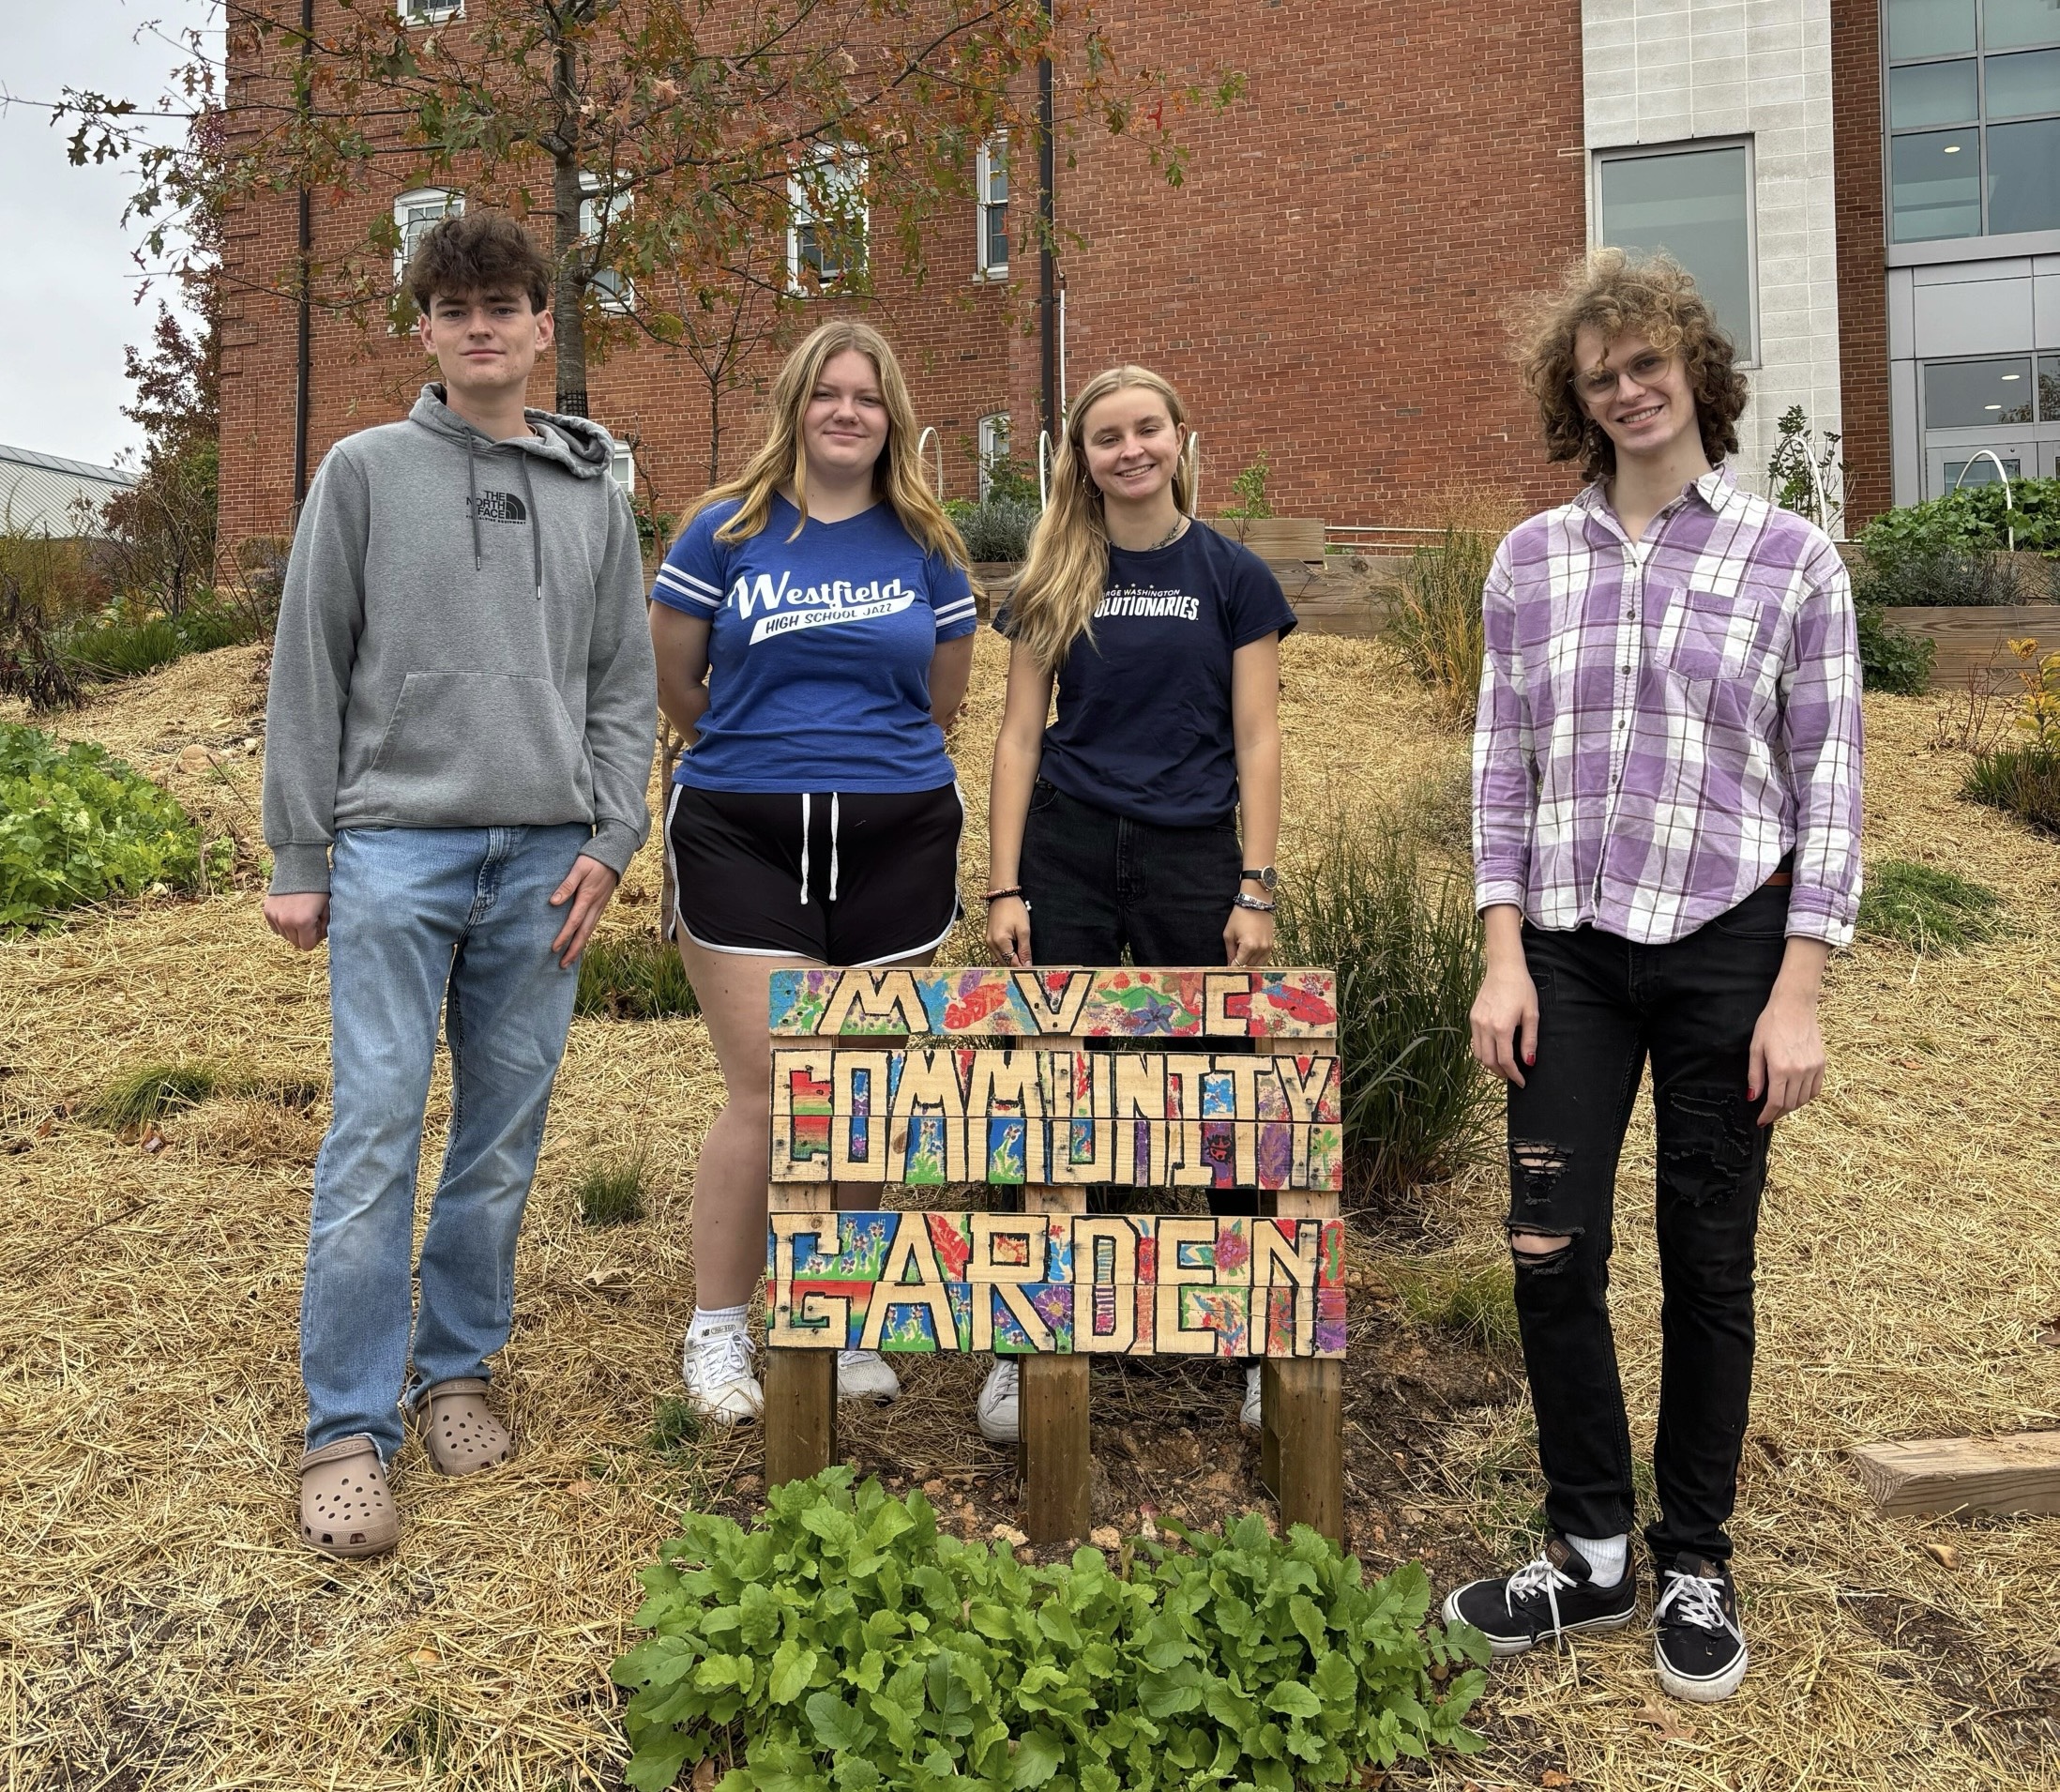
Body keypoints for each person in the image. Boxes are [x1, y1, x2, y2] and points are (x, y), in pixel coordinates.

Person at [1442, 251, 1862, 1703]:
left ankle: (1692, 1553)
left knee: (1708, 1251)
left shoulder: (1792, 558)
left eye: (1645, 363)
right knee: (1548, 1247)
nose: (1624, 389)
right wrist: (1502, 954)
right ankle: (1590, 1547)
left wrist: (1798, 986)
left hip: (1729, 945)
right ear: (1574, 396)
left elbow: (1832, 783)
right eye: (1596, 373)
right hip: (1566, 945)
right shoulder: (1529, 562)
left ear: (1696, 369)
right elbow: (1501, 767)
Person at [261, 210, 657, 1558]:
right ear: (425, 332)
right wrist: (299, 855)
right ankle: (347, 1424)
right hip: (396, 853)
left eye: (507, 305)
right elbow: (307, 666)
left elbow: (620, 679)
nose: (482, 325)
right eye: (456, 307)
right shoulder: (363, 472)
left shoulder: (596, 483)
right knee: (376, 1131)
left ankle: (457, 1368)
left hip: (548, 861)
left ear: (546, 327)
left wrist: (613, 835)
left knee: (498, 1138)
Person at [650, 320, 978, 1424]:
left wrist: (859, 758)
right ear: (794, 404)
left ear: (893, 418)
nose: (848, 412)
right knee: (770, 1085)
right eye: (828, 393)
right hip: (744, 831)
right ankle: (718, 1329)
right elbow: (680, 688)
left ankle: (837, 1320)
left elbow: (942, 700)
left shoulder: (925, 542)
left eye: (869, 397)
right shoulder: (722, 531)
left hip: (898, 835)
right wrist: (777, 750)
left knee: (862, 1094)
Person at [980, 363, 1297, 1445]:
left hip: (1194, 854)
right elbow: (1019, 735)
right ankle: (1027, 1342)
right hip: (1068, 847)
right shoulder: (1054, 575)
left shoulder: (1233, 575)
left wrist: (1255, 884)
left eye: (1147, 429)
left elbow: (1258, 738)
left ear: (1179, 437)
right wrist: (1005, 880)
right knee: (1048, 1084)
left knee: (1224, 1096)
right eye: (1106, 435)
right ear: (1083, 456)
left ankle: (1255, 1341)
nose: (1129, 449)